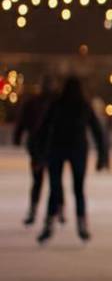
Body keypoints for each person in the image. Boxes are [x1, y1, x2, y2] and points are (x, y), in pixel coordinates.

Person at [35, 76, 109, 244]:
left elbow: (43, 128)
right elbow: (97, 131)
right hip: (77, 150)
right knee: (78, 189)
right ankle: (81, 224)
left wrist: (39, 153)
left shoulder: (57, 104)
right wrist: (102, 155)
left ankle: (49, 224)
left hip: (57, 149)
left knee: (55, 189)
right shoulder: (83, 105)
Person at [13, 75, 56, 227]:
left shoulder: (52, 103)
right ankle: (39, 210)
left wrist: (18, 136)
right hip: (41, 147)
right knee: (47, 180)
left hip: (47, 147)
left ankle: (49, 211)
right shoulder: (41, 103)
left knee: (48, 180)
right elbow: (22, 121)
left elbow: (22, 121)